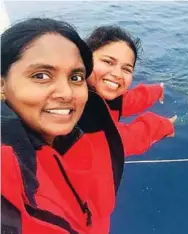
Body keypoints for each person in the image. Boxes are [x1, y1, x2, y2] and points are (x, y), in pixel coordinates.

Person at [1, 18, 124, 234]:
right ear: (2, 84)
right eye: (41, 76)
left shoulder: (75, 135)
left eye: (75, 77)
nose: (67, 93)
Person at [86, 26, 177, 156]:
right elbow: (122, 140)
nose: (117, 74)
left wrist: (156, 91)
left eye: (126, 69)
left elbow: (126, 101)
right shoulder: (75, 108)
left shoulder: (98, 94)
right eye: (108, 62)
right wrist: (162, 126)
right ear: (84, 59)